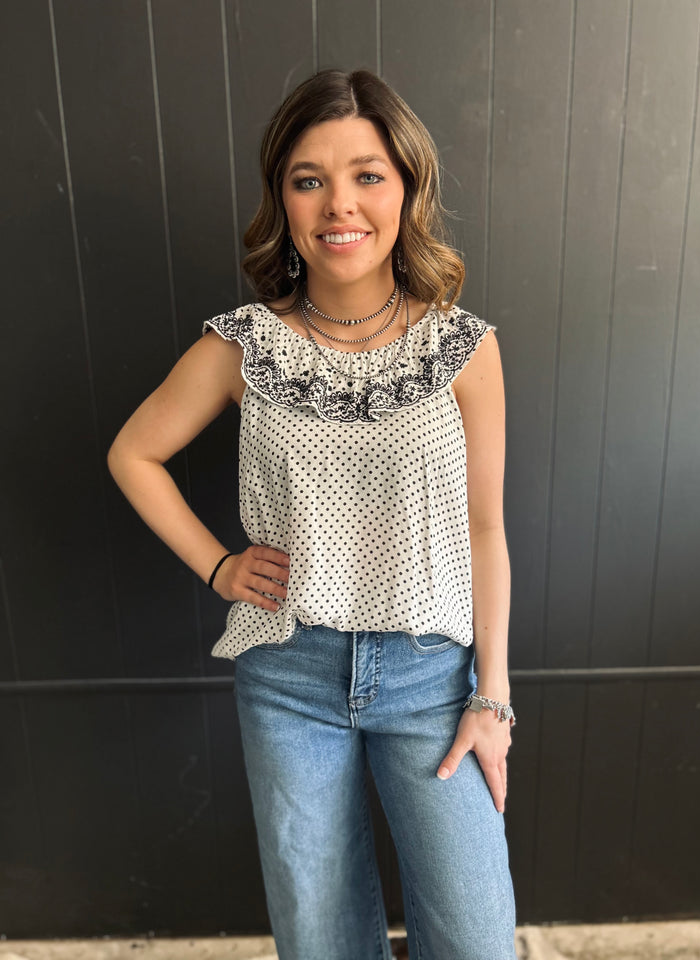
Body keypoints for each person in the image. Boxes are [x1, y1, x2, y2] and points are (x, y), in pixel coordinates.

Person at [108, 69, 517, 960]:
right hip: (288, 672)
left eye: (368, 174)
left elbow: (486, 531)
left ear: (407, 188)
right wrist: (220, 568)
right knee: (322, 938)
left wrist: (495, 696)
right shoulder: (242, 345)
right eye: (309, 179)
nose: (342, 204)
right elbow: (132, 453)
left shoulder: (462, 348)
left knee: (478, 940)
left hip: (432, 680)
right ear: (283, 199)